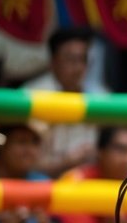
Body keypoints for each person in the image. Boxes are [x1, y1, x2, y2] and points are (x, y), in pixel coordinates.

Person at [24, 28, 108, 178]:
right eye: (71, 59)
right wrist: (66, 163)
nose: (78, 67)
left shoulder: (100, 96)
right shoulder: (31, 95)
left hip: (88, 182)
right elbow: (23, 162)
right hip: (41, 180)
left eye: (83, 59)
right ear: (53, 62)